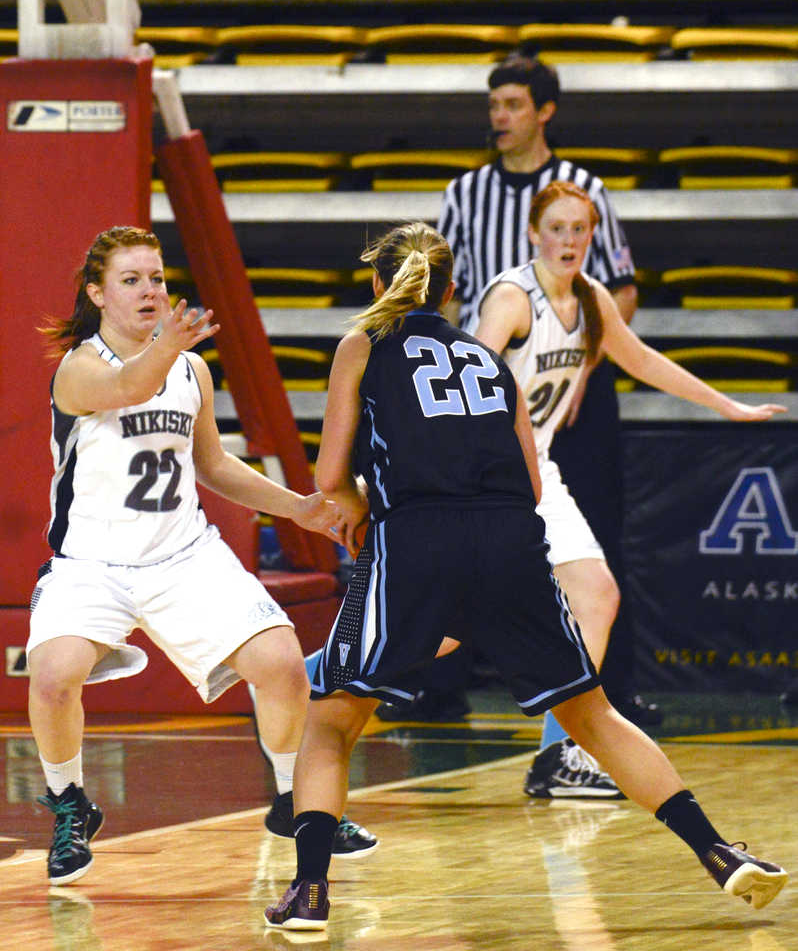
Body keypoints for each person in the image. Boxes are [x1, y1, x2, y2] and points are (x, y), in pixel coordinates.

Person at [263, 222, 787, 931]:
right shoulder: (488, 359)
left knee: (331, 721)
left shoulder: (363, 345)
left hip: (417, 540)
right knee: (592, 715)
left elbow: (329, 477)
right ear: (451, 292)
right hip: (512, 540)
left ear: (379, 284)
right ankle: (719, 850)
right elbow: (534, 485)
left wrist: (360, 507)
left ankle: (309, 893)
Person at [27, 226, 375, 886]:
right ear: (97, 294)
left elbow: (212, 463)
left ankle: (291, 801)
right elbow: (129, 386)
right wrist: (167, 346)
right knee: (51, 676)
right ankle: (71, 802)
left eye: (156, 278)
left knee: (280, 664)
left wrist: (295, 505)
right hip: (92, 565)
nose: (150, 291)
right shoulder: (81, 368)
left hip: (183, 555)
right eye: (131, 280)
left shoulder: (189, 368)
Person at [469, 180, 788, 799]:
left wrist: (727, 405)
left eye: (580, 229)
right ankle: (307, 679)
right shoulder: (513, 297)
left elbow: (641, 360)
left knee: (597, 595)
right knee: (437, 631)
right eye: (557, 228)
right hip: (487, 471)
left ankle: (558, 755)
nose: (569, 240)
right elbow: (470, 377)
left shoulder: (588, 297)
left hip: (539, 469)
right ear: (534, 233)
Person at [434, 52, 660, 745]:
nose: (499, 116)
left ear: (544, 111)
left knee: (596, 552)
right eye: (494, 103)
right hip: (495, 400)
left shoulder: (582, 188)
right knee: (470, 560)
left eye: (512, 104)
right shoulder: (465, 193)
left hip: (573, 391)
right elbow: (449, 295)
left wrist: (584, 361)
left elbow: (620, 286)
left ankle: (601, 702)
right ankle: (428, 684)